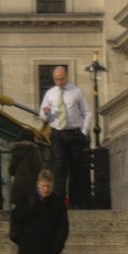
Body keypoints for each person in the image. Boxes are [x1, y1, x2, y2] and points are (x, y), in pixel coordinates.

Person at [37, 64, 92, 207]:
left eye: (61, 79)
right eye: (56, 79)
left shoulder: (76, 92)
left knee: (76, 169)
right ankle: (58, 203)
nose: (59, 82)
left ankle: (75, 203)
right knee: (59, 168)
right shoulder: (50, 94)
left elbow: (87, 113)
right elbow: (42, 116)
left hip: (74, 133)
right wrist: (46, 113)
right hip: (57, 133)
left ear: (66, 77)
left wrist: (83, 132)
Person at [10, 165, 70, 254]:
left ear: (52, 185)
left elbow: (63, 226)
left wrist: (58, 245)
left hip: (49, 247)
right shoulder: (26, 199)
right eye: (43, 186)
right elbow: (15, 219)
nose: (46, 189)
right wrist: (17, 237)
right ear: (38, 184)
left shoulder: (57, 203)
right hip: (28, 246)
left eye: (48, 186)